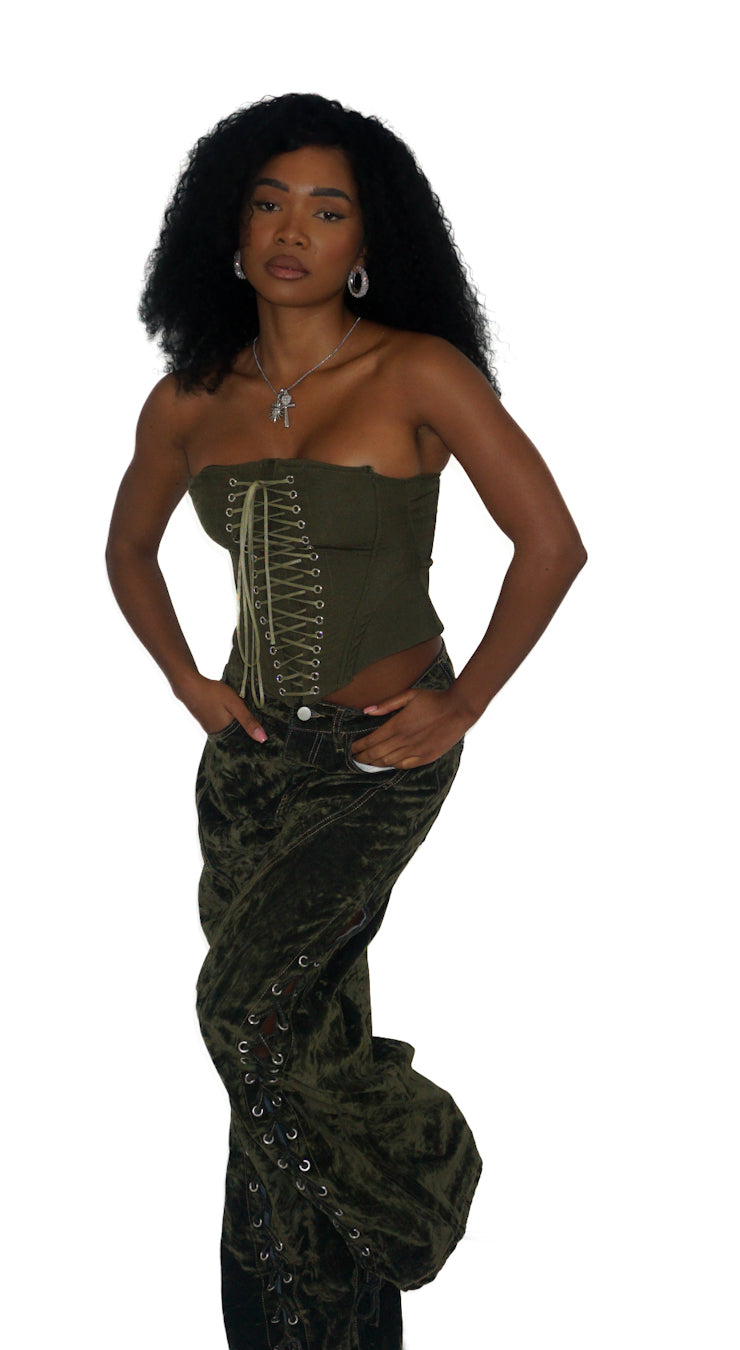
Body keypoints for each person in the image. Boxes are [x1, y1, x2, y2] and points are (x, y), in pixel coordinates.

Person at [106, 91, 587, 1350]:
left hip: (376, 755)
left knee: (245, 1017)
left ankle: (427, 1164)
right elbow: (127, 550)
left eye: (327, 210)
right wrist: (187, 679)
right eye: (267, 203)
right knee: (283, 1047)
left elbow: (550, 543)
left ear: (368, 239)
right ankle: (310, 1325)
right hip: (250, 761)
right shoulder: (187, 398)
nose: (291, 230)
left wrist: (462, 700)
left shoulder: (416, 370)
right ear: (227, 227)